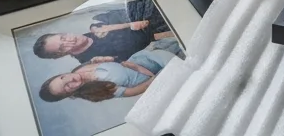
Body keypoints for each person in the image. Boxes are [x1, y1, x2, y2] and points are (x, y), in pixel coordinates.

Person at [39, 36, 184, 103]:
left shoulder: (81, 66)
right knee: (188, 64)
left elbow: (116, 60)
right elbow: (134, 91)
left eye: (63, 78)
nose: (70, 81)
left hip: (149, 55)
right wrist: (156, 78)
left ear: (61, 74)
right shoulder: (94, 93)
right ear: (69, 94)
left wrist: (131, 65)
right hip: (159, 74)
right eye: (66, 88)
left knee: (184, 38)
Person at [33, 0, 173, 64]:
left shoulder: (97, 22)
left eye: (63, 37)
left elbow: (122, 10)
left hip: (155, 12)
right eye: (63, 46)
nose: (70, 40)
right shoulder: (93, 62)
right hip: (163, 36)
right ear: (60, 55)